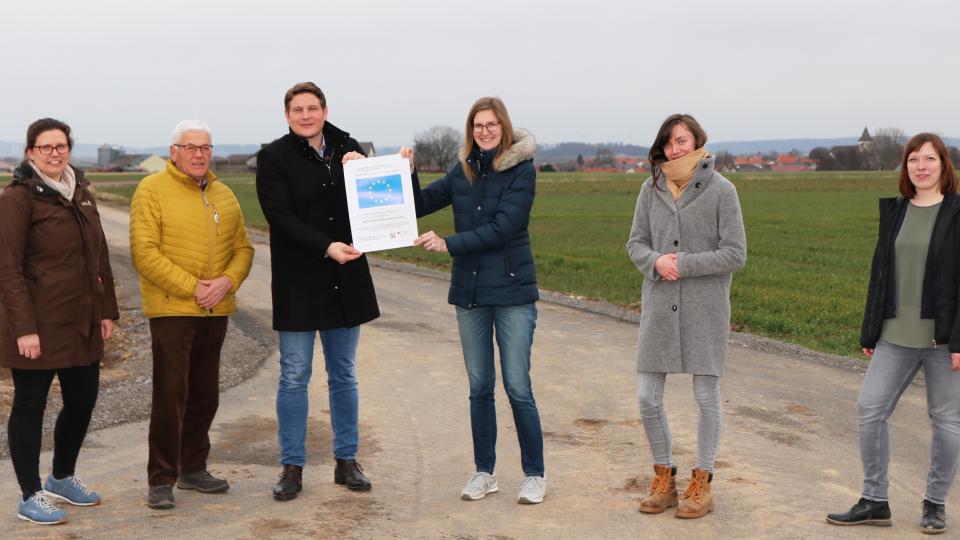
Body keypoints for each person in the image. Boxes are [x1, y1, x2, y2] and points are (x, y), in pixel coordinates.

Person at [411, 96, 547, 504]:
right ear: (470, 131)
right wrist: (406, 171)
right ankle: (484, 472)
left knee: (518, 386)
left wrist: (448, 243)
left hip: (512, 294)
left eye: (490, 125)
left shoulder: (522, 172)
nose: (483, 131)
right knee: (479, 387)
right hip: (469, 294)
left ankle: (534, 474)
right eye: (477, 126)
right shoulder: (463, 171)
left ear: (503, 128)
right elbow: (419, 204)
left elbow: (504, 228)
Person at [826, 133, 960, 534]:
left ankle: (934, 504)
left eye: (930, 159)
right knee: (870, 410)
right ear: (906, 167)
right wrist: (871, 330)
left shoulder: (957, 212)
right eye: (914, 159)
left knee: (947, 422)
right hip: (894, 337)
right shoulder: (897, 212)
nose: (921, 166)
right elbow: (880, 275)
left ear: (944, 166)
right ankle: (874, 500)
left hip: (944, 341)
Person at [256, 82, 378, 501]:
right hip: (298, 283)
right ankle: (292, 467)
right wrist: (325, 247)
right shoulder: (273, 157)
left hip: (346, 281)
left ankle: (347, 461)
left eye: (313, 108)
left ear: (325, 110)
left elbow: (378, 197)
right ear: (287, 115)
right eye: (297, 109)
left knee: (344, 374)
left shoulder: (351, 149)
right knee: (294, 376)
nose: (305, 115)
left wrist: (388, 166)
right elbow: (279, 215)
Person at [626, 113, 746, 519]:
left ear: (698, 142)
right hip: (659, 306)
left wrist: (685, 263)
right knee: (647, 396)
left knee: (706, 397)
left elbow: (735, 253)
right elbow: (635, 243)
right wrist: (656, 261)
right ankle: (664, 479)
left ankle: (703, 481)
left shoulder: (722, 190)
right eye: (669, 143)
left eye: (682, 141)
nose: (675, 149)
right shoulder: (650, 188)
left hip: (705, 308)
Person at [0, 118, 120, 525]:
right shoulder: (18, 198)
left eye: (60, 146)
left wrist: (107, 310)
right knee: (30, 405)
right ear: (31, 152)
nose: (54, 153)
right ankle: (30, 494)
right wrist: (24, 328)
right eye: (45, 147)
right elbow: (8, 268)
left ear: (69, 149)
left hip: (82, 319)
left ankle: (61, 477)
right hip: (38, 323)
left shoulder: (81, 192)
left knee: (83, 399)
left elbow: (99, 255)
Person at [130, 120, 254, 510]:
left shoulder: (224, 194)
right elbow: (144, 253)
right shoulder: (151, 189)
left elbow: (244, 249)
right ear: (174, 152)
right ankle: (161, 477)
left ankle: (193, 467)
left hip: (215, 308)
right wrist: (193, 286)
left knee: (206, 393)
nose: (199, 154)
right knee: (171, 393)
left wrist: (227, 282)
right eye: (190, 147)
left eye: (205, 147)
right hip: (172, 308)